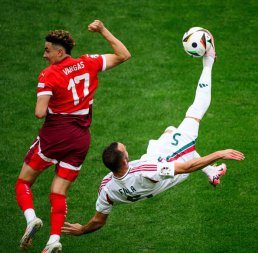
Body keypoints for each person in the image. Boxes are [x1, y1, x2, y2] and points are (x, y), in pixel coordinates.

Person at [61, 32, 245, 239]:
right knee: (196, 111)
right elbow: (187, 167)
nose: (126, 148)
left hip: (155, 156)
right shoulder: (145, 170)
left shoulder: (107, 188)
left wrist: (82, 229)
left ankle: (212, 173)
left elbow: (98, 220)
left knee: (169, 130)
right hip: (174, 159)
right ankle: (209, 60)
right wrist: (219, 153)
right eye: (125, 149)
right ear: (125, 159)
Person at [15, 20, 131, 253]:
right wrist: (102, 30)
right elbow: (123, 54)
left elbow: (39, 113)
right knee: (58, 191)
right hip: (80, 139)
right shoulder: (87, 62)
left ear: (60, 51)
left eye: (47, 50)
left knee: (23, 182)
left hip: (55, 136)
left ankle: (31, 220)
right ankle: (53, 241)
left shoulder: (48, 75)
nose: (44, 55)